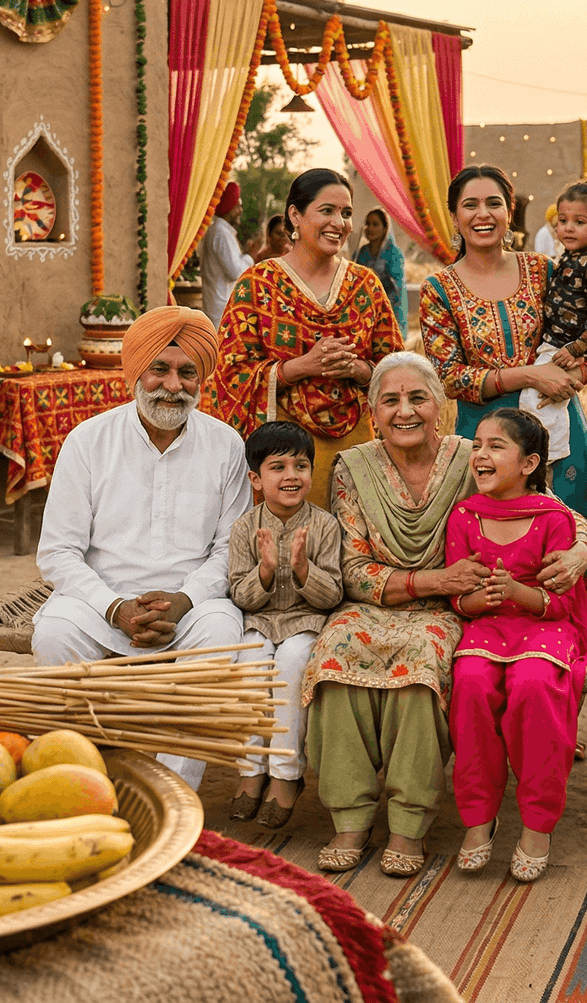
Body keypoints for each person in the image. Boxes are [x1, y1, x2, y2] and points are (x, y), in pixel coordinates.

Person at [305, 352, 587, 877]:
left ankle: (407, 824)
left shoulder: (474, 455)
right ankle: (349, 817)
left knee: (420, 663)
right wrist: (432, 579)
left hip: (451, 611)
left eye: (418, 398)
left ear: (440, 407)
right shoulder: (354, 466)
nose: (405, 411)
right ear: (374, 413)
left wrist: (578, 553)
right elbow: (350, 566)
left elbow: (556, 513)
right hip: (378, 600)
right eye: (390, 400)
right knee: (334, 656)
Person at [32, 306, 251, 788]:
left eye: (187, 372)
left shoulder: (226, 445)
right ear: (136, 373)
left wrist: (185, 600)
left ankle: (173, 793)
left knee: (218, 636)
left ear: (201, 380)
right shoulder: (88, 441)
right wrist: (115, 607)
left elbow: (229, 551)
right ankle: (82, 781)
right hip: (102, 603)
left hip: (190, 606)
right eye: (160, 369)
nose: (173, 385)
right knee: (52, 635)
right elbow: (58, 553)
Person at [448, 409, 587, 882]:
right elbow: (459, 598)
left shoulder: (553, 518)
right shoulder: (465, 517)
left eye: (496, 446)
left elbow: (560, 606)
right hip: (486, 627)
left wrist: (516, 593)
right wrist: (476, 598)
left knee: (533, 687)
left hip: (545, 626)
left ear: (529, 464)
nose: (481, 455)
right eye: (478, 445)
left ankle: (537, 823)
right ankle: (478, 816)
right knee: (469, 685)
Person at [420, 165, 587, 559]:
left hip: (557, 433)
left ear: (509, 212)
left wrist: (576, 373)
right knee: (496, 566)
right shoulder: (438, 289)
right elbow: (449, 378)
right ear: (455, 217)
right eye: (470, 205)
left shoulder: (543, 269)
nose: (483, 214)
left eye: (494, 203)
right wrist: (530, 375)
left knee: (564, 556)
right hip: (484, 443)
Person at [212, 169, 403, 506]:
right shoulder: (257, 285)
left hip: (357, 450)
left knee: (354, 548)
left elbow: (398, 371)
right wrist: (301, 366)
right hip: (286, 453)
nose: (339, 223)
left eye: (346, 213)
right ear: (295, 215)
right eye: (326, 210)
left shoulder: (366, 286)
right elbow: (229, 375)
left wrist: (359, 370)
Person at [226, 420, 344, 829]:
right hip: (257, 621)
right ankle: (250, 770)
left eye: (301, 466)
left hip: (305, 622)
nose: (292, 476)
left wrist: (301, 568)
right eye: (278, 467)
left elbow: (333, 596)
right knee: (250, 668)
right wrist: (264, 572)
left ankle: (285, 776)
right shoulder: (244, 527)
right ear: (256, 479)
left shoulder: (325, 526)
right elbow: (240, 595)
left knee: (292, 667)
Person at [517, 178, 587, 468]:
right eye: (562, 221)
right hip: (558, 342)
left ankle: (551, 457)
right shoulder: (569, 258)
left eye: (579, 221)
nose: (567, 228)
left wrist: (577, 349)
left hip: (569, 345)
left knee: (539, 400)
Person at [198, 181, 251, 325]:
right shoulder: (221, 233)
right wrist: (250, 255)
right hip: (221, 311)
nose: (240, 210)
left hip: (220, 309)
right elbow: (236, 272)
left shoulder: (221, 231)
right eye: (238, 205)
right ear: (229, 208)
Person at [353, 209, 407, 332]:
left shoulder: (394, 253)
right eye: (367, 224)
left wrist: (374, 278)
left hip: (390, 308)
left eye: (375, 224)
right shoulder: (362, 252)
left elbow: (397, 286)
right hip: (366, 310)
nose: (370, 228)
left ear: (385, 229)